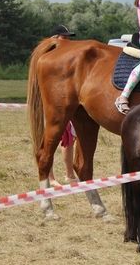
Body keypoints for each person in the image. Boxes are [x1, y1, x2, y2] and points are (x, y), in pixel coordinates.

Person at [49, 25, 78, 185]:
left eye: (69, 38)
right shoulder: (47, 58)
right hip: (52, 104)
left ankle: (69, 174)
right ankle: (50, 176)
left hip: (65, 103)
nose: (68, 41)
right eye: (64, 37)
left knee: (69, 139)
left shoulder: (67, 58)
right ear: (54, 38)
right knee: (50, 139)